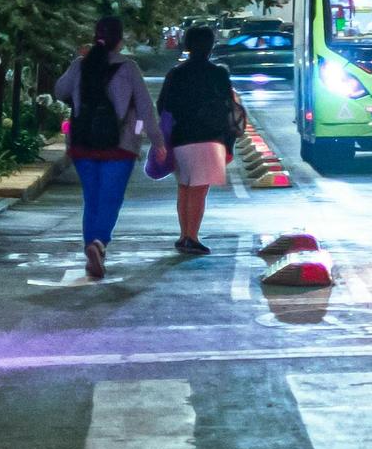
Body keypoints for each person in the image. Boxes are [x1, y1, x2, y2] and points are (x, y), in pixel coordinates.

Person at [55, 15, 158, 279]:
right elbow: (146, 108)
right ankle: (99, 244)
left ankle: (93, 246)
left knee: (92, 198)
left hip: (83, 144)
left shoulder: (81, 65)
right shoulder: (129, 67)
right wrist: (158, 142)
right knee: (111, 199)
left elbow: (59, 91)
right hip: (119, 145)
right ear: (120, 41)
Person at [155, 25, 241, 257]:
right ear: (211, 46)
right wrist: (229, 143)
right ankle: (192, 237)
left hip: (181, 137)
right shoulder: (219, 73)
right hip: (210, 139)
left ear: (187, 45)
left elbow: (162, 105)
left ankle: (184, 235)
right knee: (199, 192)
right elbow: (228, 109)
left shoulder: (176, 73)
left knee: (184, 188)